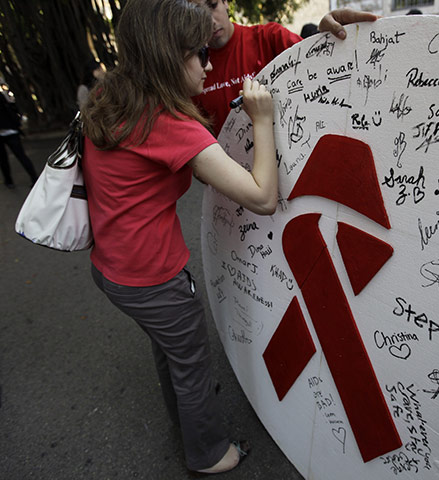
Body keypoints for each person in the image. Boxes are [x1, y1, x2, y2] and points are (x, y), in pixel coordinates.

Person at [81, 0, 276, 474]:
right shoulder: (168, 125)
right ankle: (210, 454)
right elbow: (263, 196)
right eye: (199, 54)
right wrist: (263, 119)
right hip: (154, 280)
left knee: (169, 354)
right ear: (170, 56)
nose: (210, 65)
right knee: (191, 364)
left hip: (111, 271)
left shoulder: (113, 98)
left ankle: (184, 423)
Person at [190, 0, 379, 134]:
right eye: (198, 13)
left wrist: (326, 39)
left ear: (225, 2)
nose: (210, 21)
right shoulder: (191, 70)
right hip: (238, 184)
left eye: (212, 5)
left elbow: (324, 72)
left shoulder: (270, 38)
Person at [0, 90, 39, 189]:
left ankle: (10, 181)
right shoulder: (3, 97)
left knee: (9, 158)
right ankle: (11, 180)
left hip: (10, 130)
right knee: (18, 156)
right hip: (12, 130)